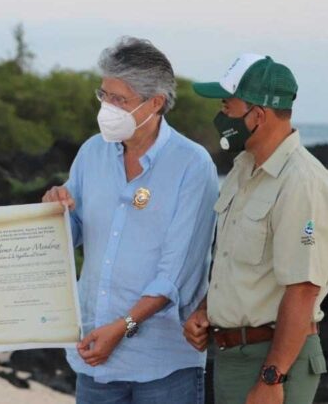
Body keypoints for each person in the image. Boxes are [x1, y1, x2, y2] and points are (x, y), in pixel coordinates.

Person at [42, 36, 219, 404]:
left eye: (119, 100)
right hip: (93, 357)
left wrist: (123, 328)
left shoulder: (192, 164)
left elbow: (177, 271)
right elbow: (71, 235)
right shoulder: (92, 152)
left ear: (155, 103)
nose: (107, 107)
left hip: (163, 364)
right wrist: (55, 209)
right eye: (103, 95)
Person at [183, 54, 328, 404]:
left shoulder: (303, 183)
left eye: (227, 106)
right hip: (230, 357)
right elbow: (236, 265)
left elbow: (303, 289)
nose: (221, 116)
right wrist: (205, 310)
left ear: (257, 115)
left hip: (272, 361)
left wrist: (272, 377)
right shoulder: (243, 170)